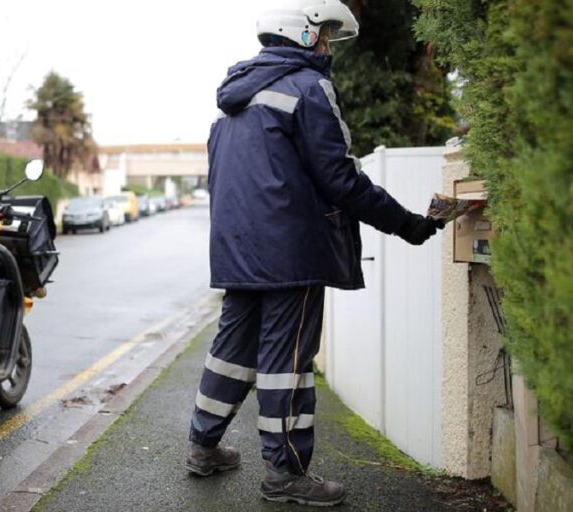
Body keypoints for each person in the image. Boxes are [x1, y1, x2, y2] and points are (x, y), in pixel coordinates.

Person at [185, 0, 444, 506]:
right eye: (324, 34)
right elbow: (341, 177)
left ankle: (202, 446)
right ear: (302, 36)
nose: (328, 45)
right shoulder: (308, 88)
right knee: (288, 362)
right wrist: (408, 225)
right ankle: (286, 473)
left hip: (237, 251)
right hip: (291, 253)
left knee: (231, 354)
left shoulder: (234, 100)